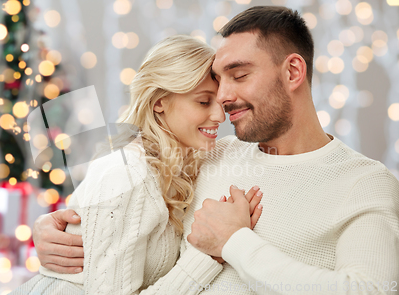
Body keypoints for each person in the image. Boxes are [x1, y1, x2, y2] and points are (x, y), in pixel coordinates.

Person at [31, 6, 399, 294]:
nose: (222, 99)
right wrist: (58, 230)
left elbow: (369, 290)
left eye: (239, 76)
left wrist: (235, 243)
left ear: (292, 72)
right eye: (217, 82)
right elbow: (120, 214)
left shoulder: (362, 183)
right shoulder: (208, 154)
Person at [11, 35, 263, 294]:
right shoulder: (127, 173)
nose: (220, 116)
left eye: (220, 103)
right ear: (158, 102)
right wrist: (210, 254)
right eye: (203, 101)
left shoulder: (179, 167)